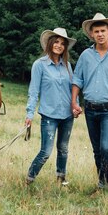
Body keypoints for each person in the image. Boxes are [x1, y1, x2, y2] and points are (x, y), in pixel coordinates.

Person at [71, 13, 108, 190]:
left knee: (106, 148)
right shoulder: (85, 55)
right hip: (90, 109)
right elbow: (77, 80)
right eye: (96, 31)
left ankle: (105, 183)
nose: (100, 34)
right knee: (97, 149)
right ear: (91, 34)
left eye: (103, 30)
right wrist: (74, 101)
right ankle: (102, 180)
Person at [25, 27, 77, 185]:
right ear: (50, 43)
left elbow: (73, 88)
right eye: (56, 41)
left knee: (63, 149)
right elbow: (33, 91)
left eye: (62, 43)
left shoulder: (67, 65)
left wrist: (76, 106)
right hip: (49, 115)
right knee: (46, 152)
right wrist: (29, 114)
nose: (59, 45)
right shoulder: (39, 65)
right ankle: (30, 178)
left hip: (67, 115)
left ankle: (61, 178)